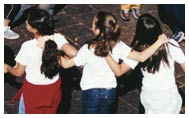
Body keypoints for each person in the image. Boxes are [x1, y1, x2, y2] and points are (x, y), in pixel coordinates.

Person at [59, 11, 167, 114]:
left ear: (96, 29)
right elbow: (141, 57)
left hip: (91, 91)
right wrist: (159, 42)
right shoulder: (119, 45)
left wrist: (54, 49)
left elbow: (65, 64)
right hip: (109, 91)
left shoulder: (88, 48)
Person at [105, 14, 185, 114]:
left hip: (151, 97)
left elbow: (119, 71)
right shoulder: (172, 44)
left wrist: (105, 53)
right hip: (170, 95)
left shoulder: (138, 51)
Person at [4, 9, 77, 114]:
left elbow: (18, 72)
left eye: (27, 21)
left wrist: (7, 68)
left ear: (34, 30)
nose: (25, 22)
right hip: (53, 89)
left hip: (33, 90)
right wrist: (56, 55)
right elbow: (74, 53)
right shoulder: (57, 38)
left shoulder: (27, 47)